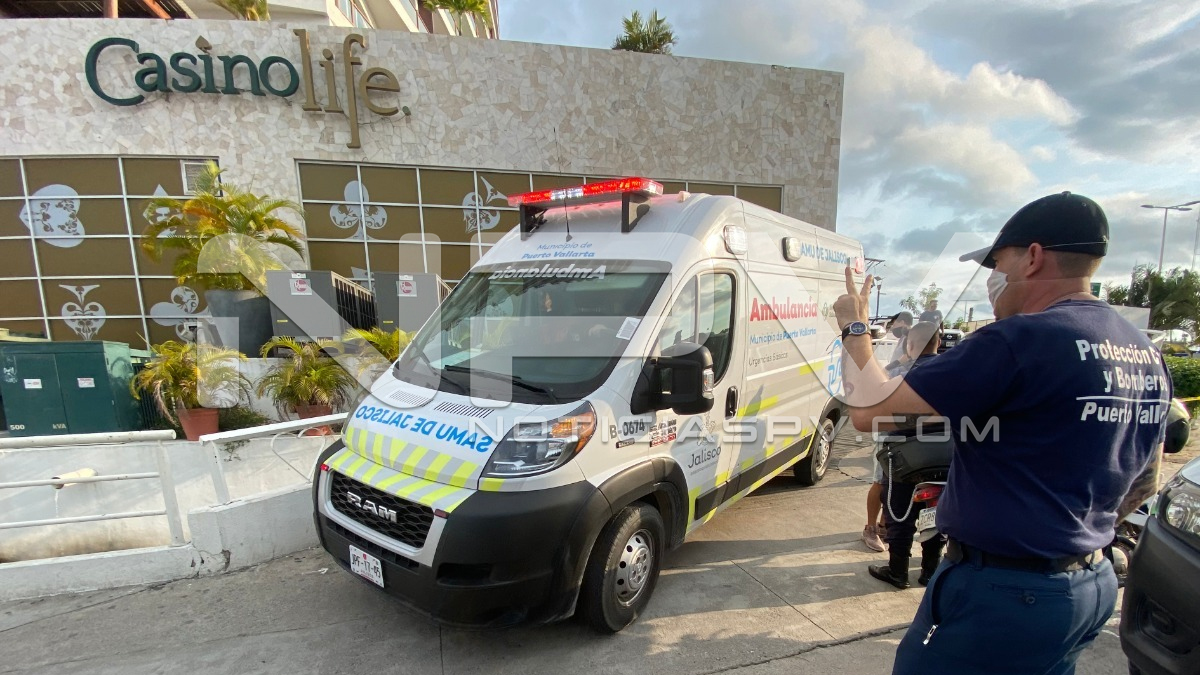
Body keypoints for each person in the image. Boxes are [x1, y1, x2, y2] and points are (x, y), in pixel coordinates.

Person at [832, 192, 1169, 675]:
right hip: (1090, 583)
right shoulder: (1142, 351)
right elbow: (1145, 481)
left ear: (1032, 257)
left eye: (996, 262)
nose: (992, 276)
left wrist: (855, 327)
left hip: (1005, 592)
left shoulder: (1021, 339)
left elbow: (869, 412)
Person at [867, 321, 947, 589]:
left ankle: (897, 572)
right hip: (944, 458)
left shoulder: (901, 374)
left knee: (900, 516)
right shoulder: (954, 372)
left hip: (904, 458)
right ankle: (930, 572)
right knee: (937, 513)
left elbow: (875, 403)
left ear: (909, 345)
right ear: (938, 342)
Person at [863, 309, 916, 552]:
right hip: (888, 430)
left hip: (910, 432)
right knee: (881, 481)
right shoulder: (897, 349)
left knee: (896, 482)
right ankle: (871, 528)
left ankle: (885, 525)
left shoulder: (925, 364)